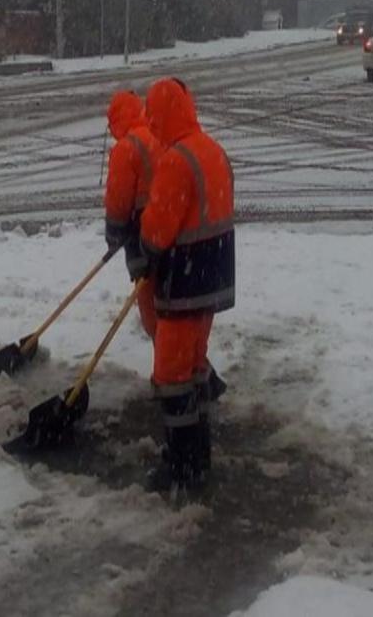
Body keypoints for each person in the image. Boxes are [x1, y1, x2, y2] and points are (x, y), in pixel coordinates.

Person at [138, 77, 235, 492]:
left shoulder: (176, 161)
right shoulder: (212, 150)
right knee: (194, 369)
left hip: (184, 281)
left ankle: (182, 466)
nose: (151, 123)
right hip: (212, 279)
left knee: (171, 375)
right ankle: (198, 455)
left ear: (163, 113)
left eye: (153, 114)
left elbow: (158, 230)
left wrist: (143, 253)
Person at [103, 90, 161, 335]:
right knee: (171, 302)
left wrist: (114, 235)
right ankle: (181, 359)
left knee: (149, 301)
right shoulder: (158, 136)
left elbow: (118, 202)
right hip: (170, 231)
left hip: (140, 233)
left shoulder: (126, 148)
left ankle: (167, 365)